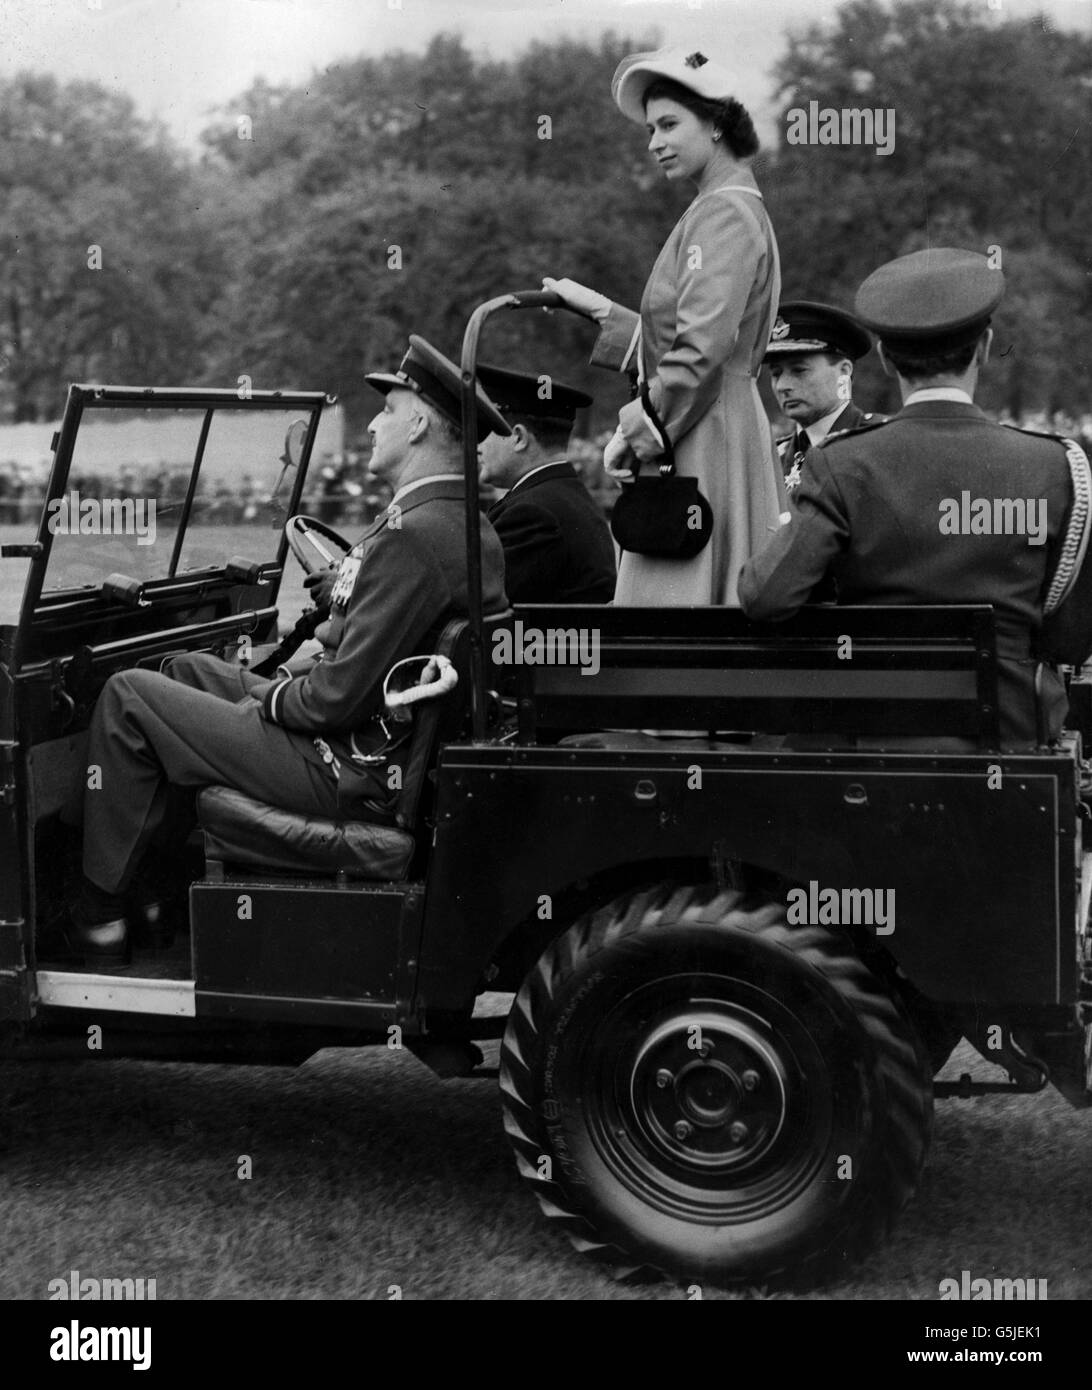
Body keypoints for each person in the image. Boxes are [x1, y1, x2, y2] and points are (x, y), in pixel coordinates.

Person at [55, 336, 509, 965]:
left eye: (387, 409)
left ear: (422, 422)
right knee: (182, 669)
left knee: (130, 695)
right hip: (369, 744)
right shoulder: (458, 523)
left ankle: (101, 914)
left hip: (342, 764)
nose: (375, 422)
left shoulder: (416, 537)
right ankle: (156, 901)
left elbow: (333, 699)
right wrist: (274, 687)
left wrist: (267, 699)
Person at [738, 247, 1092, 750]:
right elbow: (1071, 638)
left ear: (884, 358)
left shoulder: (840, 464)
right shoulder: (1057, 466)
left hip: (878, 742)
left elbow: (765, 597)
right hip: (1012, 745)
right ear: (986, 347)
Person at [544, 44, 785, 606]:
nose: (655, 144)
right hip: (713, 418)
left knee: (681, 615)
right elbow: (695, 342)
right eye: (651, 129)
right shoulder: (725, 204)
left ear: (719, 122)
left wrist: (636, 427)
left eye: (669, 125)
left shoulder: (723, 212)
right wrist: (601, 311)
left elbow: (701, 350)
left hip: (706, 431)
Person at [476, 364, 616, 603]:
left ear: (518, 438)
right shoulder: (562, 496)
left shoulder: (532, 514)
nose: (477, 445)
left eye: (484, 429)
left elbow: (481, 609)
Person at [764, 301, 880, 495]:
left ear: (844, 372)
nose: (782, 386)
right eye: (776, 374)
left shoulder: (879, 445)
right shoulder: (772, 459)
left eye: (799, 371)